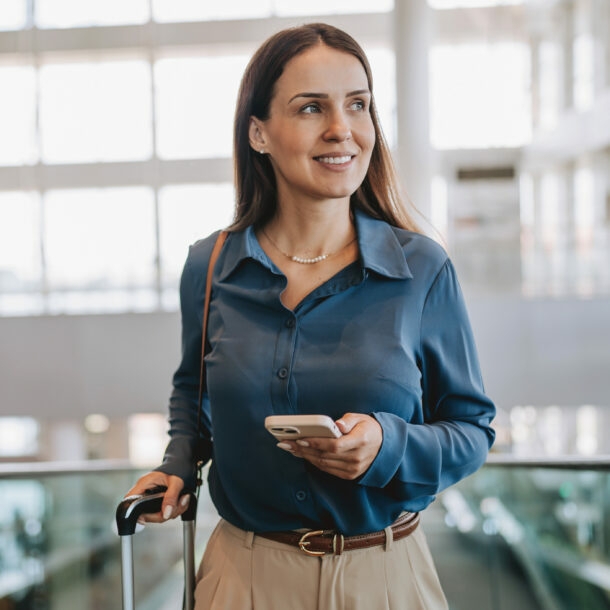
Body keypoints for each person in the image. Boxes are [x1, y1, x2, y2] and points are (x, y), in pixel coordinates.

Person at [126, 22, 495, 610]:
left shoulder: (421, 268)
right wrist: (177, 463)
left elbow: (473, 430)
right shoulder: (211, 265)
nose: (341, 129)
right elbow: (194, 391)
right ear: (258, 133)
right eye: (309, 108)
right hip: (241, 580)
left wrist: (387, 445)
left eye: (358, 105)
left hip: (385, 580)